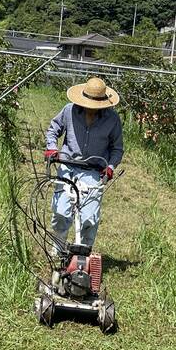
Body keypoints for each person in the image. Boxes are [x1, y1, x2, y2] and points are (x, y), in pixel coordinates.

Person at [44, 76, 123, 253]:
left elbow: (117, 148)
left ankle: (84, 252)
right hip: (67, 164)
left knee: (89, 217)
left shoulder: (112, 119)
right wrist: (51, 148)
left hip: (93, 170)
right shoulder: (69, 111)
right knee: (61, 211)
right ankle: (58, 247)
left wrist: (110, 167)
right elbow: (53, 129)